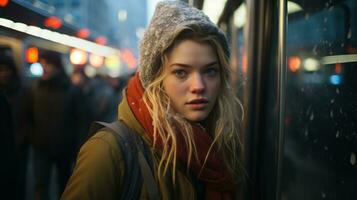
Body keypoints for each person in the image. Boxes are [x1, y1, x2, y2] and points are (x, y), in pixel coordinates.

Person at [62, 1, 245, 200]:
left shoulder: (219, 143)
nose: (199, 85)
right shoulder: (107, 152)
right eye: (181, 72)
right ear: (156, 80)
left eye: (210, 71)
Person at [25, 50, 81, 200]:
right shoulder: (35, 89)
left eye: (48, 64)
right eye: (42, 63)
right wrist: (33, 137)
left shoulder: (72, 90)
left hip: (64, 147)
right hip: (41, 147)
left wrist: (77, 147)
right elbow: (27, 116)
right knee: (40, 186)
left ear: (57, 67)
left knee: (65, 186)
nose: (44, 67)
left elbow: (80, 120)